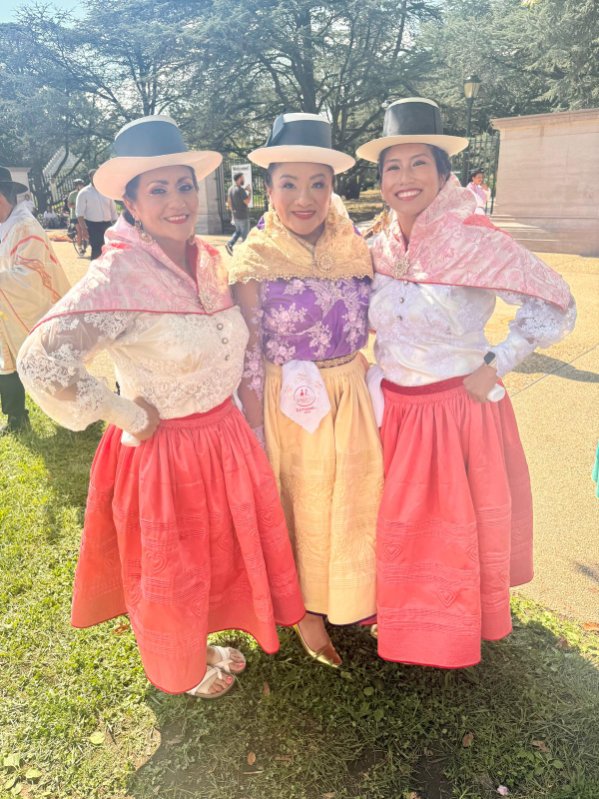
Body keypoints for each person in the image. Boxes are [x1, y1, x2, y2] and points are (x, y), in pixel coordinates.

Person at [17, 116, 304, 698]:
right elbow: (39, 358)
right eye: (158, 189)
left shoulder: (210, 260)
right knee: (172, 572)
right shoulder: (117, 273)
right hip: (164, 452)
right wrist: (125, 413)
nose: (176, 201)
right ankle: (184, 666)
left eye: (183, 186)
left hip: (223, 439)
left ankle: (205, 638)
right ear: (129, 202)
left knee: (214, 556)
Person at [356, 98, 577, 669]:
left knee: (449, 531)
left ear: (442, 171)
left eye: (417, 164)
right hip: (391, 412)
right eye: (392, 168)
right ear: (380, 179)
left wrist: (497, 363)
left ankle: (451, 631)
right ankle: (397, 620)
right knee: (398, 527)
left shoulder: (474, 238)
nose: (404, 179)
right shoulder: (375, 244)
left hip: (456, 412)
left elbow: (553, 301)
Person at [228, 113, 382, 668]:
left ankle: (355, 598)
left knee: (356, 501)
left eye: (317, 183)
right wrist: (253, 424)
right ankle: (306, 614)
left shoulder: (357, 246)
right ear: (267, 189)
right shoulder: (254, 260)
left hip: (352, 393)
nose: (304, 198)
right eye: (289, 183)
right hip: (286, 401)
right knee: (301, 505)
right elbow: (247, 348)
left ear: (332, 186)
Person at [0, 166, 70, 435]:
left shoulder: (25, 226)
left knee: (49, 362)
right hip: (8, 308)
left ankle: (77, 416)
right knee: (6, 360)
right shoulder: (5, 225)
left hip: (35, 308)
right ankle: (16, 417)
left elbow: (31, 276)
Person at [76, 169, 118, 259]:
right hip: (93, 226)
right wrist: (84, 229)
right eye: (94, 176)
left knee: (109, 249)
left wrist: (116, 224)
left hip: (107, 225)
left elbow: (113, 209)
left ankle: (108, 271)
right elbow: (79, 214)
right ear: (90, 178)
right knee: (97, 250)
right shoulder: (84, 193)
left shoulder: (106, 191)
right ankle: (96, 271)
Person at [225, 172, 251, 255]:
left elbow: (229, 202)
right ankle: (245, 253)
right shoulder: (240, 190)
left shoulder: (230, 189)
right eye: (243, 178)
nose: (244, 179)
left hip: (235, 215)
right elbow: (247, 202)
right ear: (239, 179)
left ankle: (229, 243)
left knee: (238, 231)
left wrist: (233, 212)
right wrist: (249, 192)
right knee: (245, 235)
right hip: (243, 215)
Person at [67, 179, 87, 251]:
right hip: (75, 216)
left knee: (85, 230)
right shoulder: (72, 194)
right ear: (76, 186)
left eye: (82, 184)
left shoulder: (85, 193)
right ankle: (79, 247)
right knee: (79, 231)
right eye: (79, 184)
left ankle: (85, 244)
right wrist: (78, 205)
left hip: (85, 215)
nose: (81, 186)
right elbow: (69, 205)